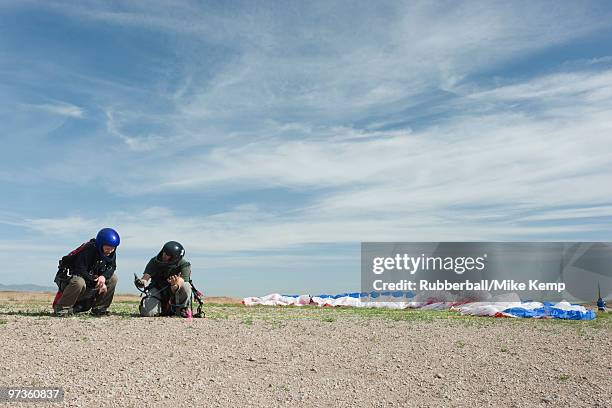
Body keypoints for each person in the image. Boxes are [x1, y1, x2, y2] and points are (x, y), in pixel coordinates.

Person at [53, 228, 120, 316]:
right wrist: (97, 282)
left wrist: (103, 277)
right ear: (100, 244)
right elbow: (80, 270)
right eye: (107, 248)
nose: (110, 251)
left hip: (90, 283)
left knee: (113, 278)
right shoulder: (88, 250)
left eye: (113, 249)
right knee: (79, 282)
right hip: (74, 283)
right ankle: (62, 309)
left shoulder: (110, 252)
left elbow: (112, 267)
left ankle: (99, 308)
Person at [135, 241, 192, 317]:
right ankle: (160, 309)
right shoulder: (154, 261)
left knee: (186, 286)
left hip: (175, 290)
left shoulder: (184, 264)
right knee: (148, 314)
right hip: (157, 289)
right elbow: (145, 278)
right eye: (164, 252)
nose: (164, 255)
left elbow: (182, 282)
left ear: (175, 257)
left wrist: (174, 285)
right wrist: (141, 282)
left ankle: (182, 310)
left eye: (168, 254)